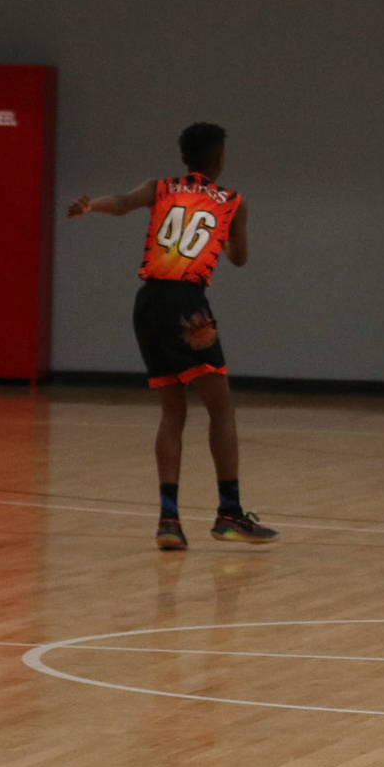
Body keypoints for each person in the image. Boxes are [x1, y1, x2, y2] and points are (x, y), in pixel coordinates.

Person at [66, 122, 278, 548]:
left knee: (172, 412)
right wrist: (228, 237)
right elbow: (239, 258)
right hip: (187, 305)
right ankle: (229, 514)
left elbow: (122, 202)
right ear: (219, 158)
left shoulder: (159, 187)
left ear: (184, 158)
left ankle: (168, 522)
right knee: (221, 410)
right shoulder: (232, 202)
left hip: (147, 305)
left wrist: (90, 206)